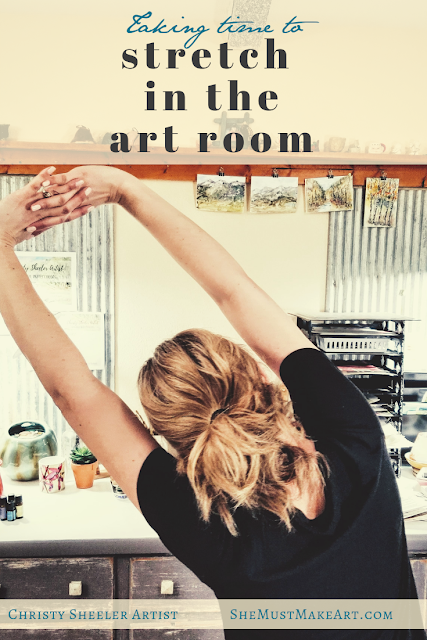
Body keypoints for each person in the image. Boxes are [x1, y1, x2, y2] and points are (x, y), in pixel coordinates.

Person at [0, 167, 424, 640]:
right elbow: (234, 290)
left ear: (168, 436)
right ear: (261, 375)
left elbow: (72, 390)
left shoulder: (208, 524)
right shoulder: (358, 444)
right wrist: (126, 189)